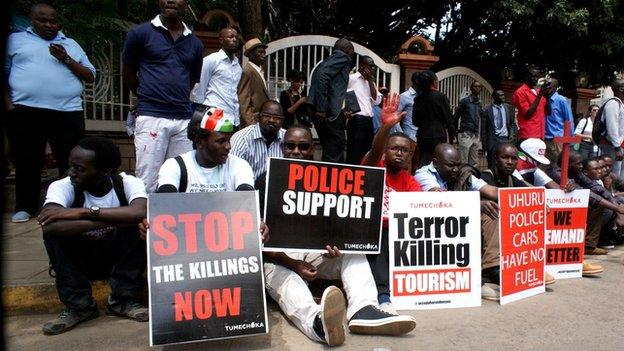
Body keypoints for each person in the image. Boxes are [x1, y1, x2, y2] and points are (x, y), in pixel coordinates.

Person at [259, 125, 416, 346]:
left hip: (316, 253)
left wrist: (336, 246)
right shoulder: (267, 180)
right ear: (282, 148)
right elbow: (259, 243)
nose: (296, 151)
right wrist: (293, 263)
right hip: (279, 257)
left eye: (303, 147)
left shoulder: (328, 178)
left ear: (312, 149)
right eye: (290, 146)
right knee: (285, 278)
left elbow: (335, 226)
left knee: (354, 253)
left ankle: (363, 310)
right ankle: (318, 323)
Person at [38, 137, 148, 334]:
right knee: (55, 236)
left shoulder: (127, 183)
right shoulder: (63, 186)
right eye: (71, 166)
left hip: (118, 261)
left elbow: (139, 212)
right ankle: (79, 307)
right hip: (81, 262)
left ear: (105, 172)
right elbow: (50, 225)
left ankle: (123, 300)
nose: (72, 173)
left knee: (139, 228)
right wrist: (115, 218)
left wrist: (82, 212)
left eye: (80, 169)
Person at [6, 3, 96, 223]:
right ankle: (26, 207)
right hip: (26, 111)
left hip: (67, 111)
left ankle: (72, 204)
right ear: (32, 21)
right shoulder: (16, 41)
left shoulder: (71, 45)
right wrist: (9, 106)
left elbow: (90, 75)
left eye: (53, 21)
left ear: (59, 22)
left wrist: (65, 58)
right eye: (42, 20)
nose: (48, 24)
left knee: (72, 161)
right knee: (28, 160)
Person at [122, 0, 204, 192]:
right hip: (151, 116)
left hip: (183, 119)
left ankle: (176, 220)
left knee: (181, 176)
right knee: (147, 179)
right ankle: (146, 220)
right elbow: (128, 71)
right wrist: (148, 96)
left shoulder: (195, 44)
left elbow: (190, 81)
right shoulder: (140, 34)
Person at [413, 143, 510, 299]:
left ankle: (492, 267)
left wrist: (527, 198)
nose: (456, 170)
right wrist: (476, 203)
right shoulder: (423, 174)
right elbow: (441, 199)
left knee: (491, 211)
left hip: (458, 221)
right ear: (435, 162)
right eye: (451, 166)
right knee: (481, 207)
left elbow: (491, 191)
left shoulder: (461, 173)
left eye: (458, 165)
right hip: (433, 227)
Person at [361, 93, 422, 312]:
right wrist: (385, 127)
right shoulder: (374, 165)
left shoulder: (411, 182)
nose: (399, 153)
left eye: (404, 150)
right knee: (382, 234)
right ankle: (383, 296)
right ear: (385, 152)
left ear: (409, 156)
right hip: (369, 229)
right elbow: (373, 152)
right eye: (394, 148)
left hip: (395, 234)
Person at [307, 38, 355, 163]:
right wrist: (322, 109)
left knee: (330, 150)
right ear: (347, 50)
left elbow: (334, 88)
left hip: (327, 113)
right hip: (330, 115)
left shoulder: (329, 61)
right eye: (352, 52)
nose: (352, 55)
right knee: (335, 152)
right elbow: (323, 76)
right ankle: (332, 180)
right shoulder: (342, 57)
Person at [194, 27, 242, 126]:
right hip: (213, 115)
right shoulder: (211, 60)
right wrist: (201, 114)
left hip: (233, 117)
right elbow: (199, 90)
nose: (234, 39)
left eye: (236, 37)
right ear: (221, 40)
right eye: (230, 37)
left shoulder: (237, 65)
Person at [230, 100, 285, 179]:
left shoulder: (287, 138)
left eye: (277, 117)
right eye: (267, 115)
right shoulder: (242, 138)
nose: (271, 120)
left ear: (282, 121)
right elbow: (232, 170)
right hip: (248, 188)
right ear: (259, 117)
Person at [412, 70, 455, 167]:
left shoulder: (418, 98)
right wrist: (452, 138)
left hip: (423, 135)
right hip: (438, 135)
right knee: (439, 160)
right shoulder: (441, 97)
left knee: (424, 160)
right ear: (434, 82)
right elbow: (448, 119)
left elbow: (415, 121)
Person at [345, 55, 382, 164]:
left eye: (373, 66)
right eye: (370, 66)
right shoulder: (352, 79)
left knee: (367, 153)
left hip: (369, 121)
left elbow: (376, 101)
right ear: (362, 66)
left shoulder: (371, 82)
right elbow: (342, 95)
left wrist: (370, 81)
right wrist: (345, 110)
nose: (372, 69)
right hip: (356, 120)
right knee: (354, 153)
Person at [512, 65, 549, 142]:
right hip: (528, 135)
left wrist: (547, 96)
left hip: (540, 134)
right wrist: (539, 96)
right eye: (533, 76)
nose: (535, 79)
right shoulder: (520, 92)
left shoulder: (539, 91)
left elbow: (549, 112)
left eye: (537, 77)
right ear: (527, 76)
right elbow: (527, 115)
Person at [237, 38, 269, 127]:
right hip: (253, 122)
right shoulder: (248, 71)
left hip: (260, 121)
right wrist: (251, 124)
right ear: (251, 54)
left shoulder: (259, 70)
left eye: (264, 53)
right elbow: (244, 100)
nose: (263, 55)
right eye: (260, 53)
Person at [482, 89, 517, 168]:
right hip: (493, 140)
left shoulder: (508, 107)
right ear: (494, 97)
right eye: (500, 95)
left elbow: (512, 124)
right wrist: (484, 145)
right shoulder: (487, 110)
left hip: (506, 139)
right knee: (492, 163)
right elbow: (484, 129)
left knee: (505, 163)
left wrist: (512, 136)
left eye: (503, 95)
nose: (503, 97)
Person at [596, 79, 624, 175]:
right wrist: (617, 148)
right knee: (611, 175)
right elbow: (612, 127)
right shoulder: (613, 104)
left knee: (619, 175)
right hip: (612, 146)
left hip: (618, 146)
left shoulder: (620, 104)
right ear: (621, 89)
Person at [544, 78, 575, 164]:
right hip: (545, 139)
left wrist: (569, 140)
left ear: (555, 87)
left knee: (558, 165)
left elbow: (569, 119)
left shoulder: (561, 100)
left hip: (558, 140)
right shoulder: (543, 99)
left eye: (549, 85)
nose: (546, 87)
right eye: (545, 85)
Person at [455, 81, 483, 167]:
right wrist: (456, 132)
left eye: (479, 87)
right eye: (475, 86)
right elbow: (456, 116)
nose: (477, 88)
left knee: (474, 162)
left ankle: (472, 179)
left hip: (475, 134)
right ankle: (462, 179)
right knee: (463, 161)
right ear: (471, 88)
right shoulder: (465, 101)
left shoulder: (479, 103)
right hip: (465, 133)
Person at [397, 72, 420, 173]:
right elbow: (396, 117)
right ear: (416, 81)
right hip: (409, 137)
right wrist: (402, 134)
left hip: (420, 137)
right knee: (406, 167)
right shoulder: (404, 96)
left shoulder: (422, 96)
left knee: (417, 167)